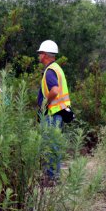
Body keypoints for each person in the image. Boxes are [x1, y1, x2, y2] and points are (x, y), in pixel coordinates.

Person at [37, 40, 71, 182]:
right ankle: (54, 177)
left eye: (40, 53)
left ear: (44, 55)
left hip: (52, 113)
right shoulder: (56, 68)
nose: (38, 56)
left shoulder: (50, 70)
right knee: (54, 145)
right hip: (58, 113)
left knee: (50, 145)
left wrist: (45, 104)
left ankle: (51, 178)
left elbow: (55, 90)